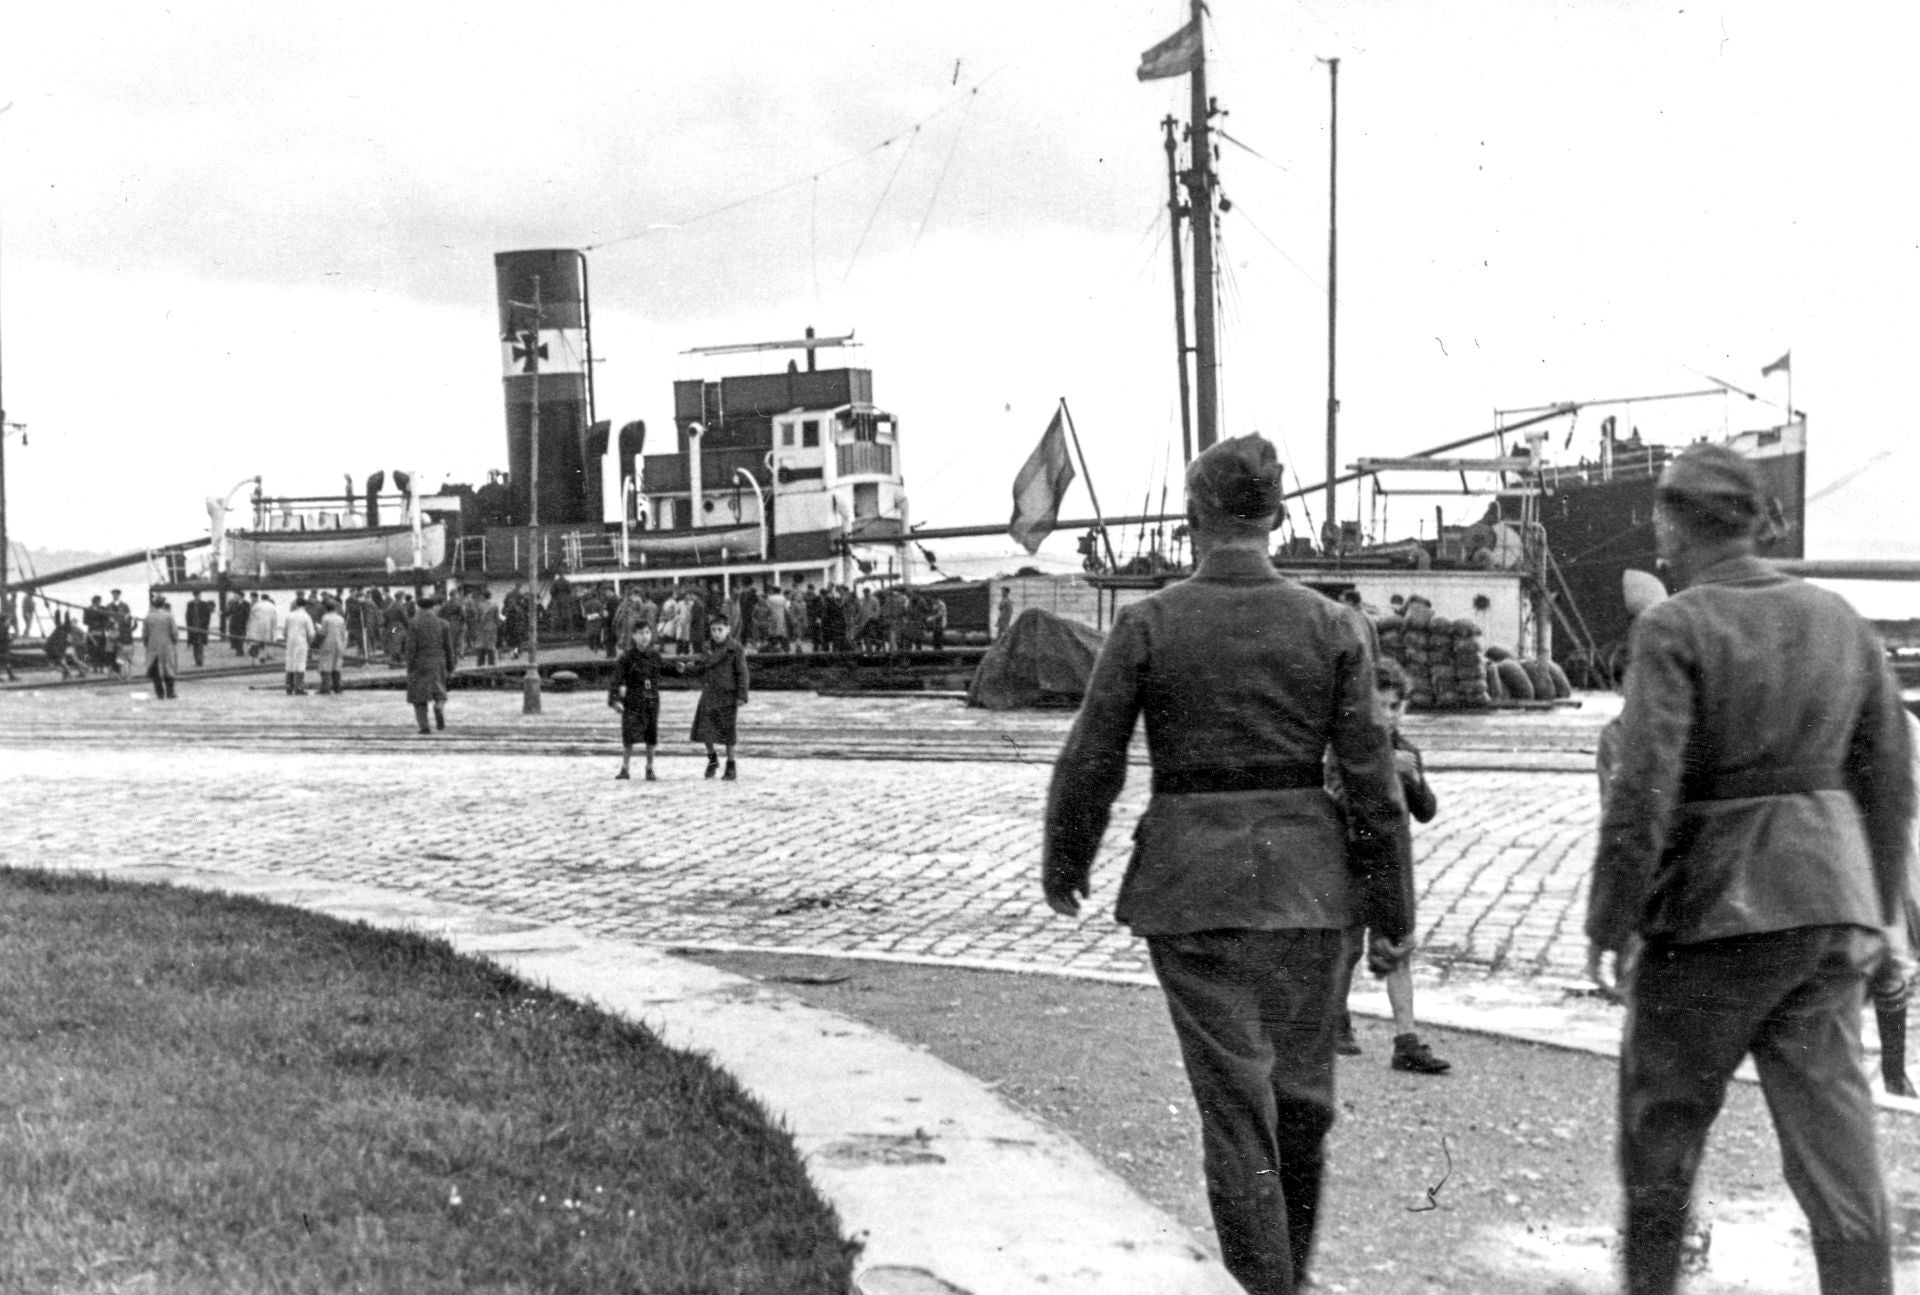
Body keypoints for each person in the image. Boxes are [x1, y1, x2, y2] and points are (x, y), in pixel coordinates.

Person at [1042, 433, 1410, 1295]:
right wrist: (1393, 911)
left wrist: (1068, 857)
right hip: (1311, 889)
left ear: (1194, 514)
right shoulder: (1334, 624)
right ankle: (1291, 1273)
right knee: (1303, 1102)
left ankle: (1267, 1285)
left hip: (1189, 885)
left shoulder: (1148, 621)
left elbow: (1093, 756)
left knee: (1235, 1111)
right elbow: (1372, 783)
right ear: (1278, 516)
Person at [1587, 442, 1914, 1295]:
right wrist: (1878, 911)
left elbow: (1642, 790)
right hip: (1828, 914)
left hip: (1712, 917)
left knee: (1661, 1148)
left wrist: (1609, 920)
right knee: (1841, 1168)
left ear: (1669, 522)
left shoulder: (1676, 622)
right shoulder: (1838, 616)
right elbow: (1892, 776)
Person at [1328, 658, 1448, 1073]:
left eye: (1396, 706)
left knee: (1397, 945)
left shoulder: (1407, 751)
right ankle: (1336, 1019)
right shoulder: (1344, 749)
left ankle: (1407, 1039)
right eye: (1380, 706)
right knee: (1348, 945)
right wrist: (1384, 770)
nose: (1389, 714)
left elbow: (1427, 810)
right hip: (1351, 857)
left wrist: (1412, 779)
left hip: (1391, 862)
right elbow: (1340, 800)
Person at [686, 613, 748, 780]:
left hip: (727, 695)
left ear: (728, 629)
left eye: (720, 629)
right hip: (709, 694)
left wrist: (742, 695)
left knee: (728, 733)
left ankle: (731, 765)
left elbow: (742, 672)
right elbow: (701, 666)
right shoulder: (708, 647)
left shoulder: (735, 648)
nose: (716, 633)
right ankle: (713, 761)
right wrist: (686, 667)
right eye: (713, 630)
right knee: (706, 730)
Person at [608, 621, 663, 781]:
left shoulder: (655, 655)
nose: (644, 637)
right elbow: (616, 679)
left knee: (651, 734)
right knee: (628, 734)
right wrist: (614, 700)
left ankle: (650, 768)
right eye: (640, 633)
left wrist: (681, 671)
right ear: (633, 636)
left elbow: (664, 671)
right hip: (632, 699)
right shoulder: (627, 657)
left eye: (647, 632)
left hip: (651, 699)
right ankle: (625, 767)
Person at [402, 594, 457, 735]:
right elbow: (449, 647)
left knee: (418, 698)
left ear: (419, 607)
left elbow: (410, 648)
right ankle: (439, 706)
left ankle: (424, 727)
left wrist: (409, 665)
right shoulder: (443, 623)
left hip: (419, 663)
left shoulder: (413, 623)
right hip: (438, 662)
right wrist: (451, 666)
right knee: (440, 692)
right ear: (433, 607)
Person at [142, 595, 179, 700]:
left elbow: (144, 634)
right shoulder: (168, 616)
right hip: (167, 646)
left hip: (153, 647)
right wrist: (174, 641)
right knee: (168, 668)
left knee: (155, 670)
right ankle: (170, 692)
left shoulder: (148, 617)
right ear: (163, 604)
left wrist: (147, 644)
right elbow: (174, 632)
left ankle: (160, 693)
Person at [313, 597, 348, 695]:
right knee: (336, 666)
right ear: (335, 608)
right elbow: (343, 633)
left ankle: (325, 688)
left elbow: (323, 632)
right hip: (339, 644)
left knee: (326, 666)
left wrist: (316, 640)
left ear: (326, 609)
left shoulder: (325, 618)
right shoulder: (340, 619)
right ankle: (337, 687)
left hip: (328, 644)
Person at [282, 597, 315, 695]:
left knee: (290, 664)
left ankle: (288, 687)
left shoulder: (289, 616)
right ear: (305, 605)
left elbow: (284, 632)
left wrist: (288, 638)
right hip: (301, 642)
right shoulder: (306, 616)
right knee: (300, 665)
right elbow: (311, 633)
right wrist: (309, 642)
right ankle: (299, 688)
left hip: (290, 642)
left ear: (296, 604)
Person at [183, 591, 213, 667]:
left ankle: (200, 661)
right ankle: (197, 660)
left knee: (199, 644)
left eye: (199, 595)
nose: (198, 597)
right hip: (193, 628)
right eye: (197, 595)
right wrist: (189, 626)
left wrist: (205, 626)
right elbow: (188, 615)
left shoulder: (203, 604)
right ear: (195, 596)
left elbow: (207, 616)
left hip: (200, 627)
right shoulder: (190, 604)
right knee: (195, 645)